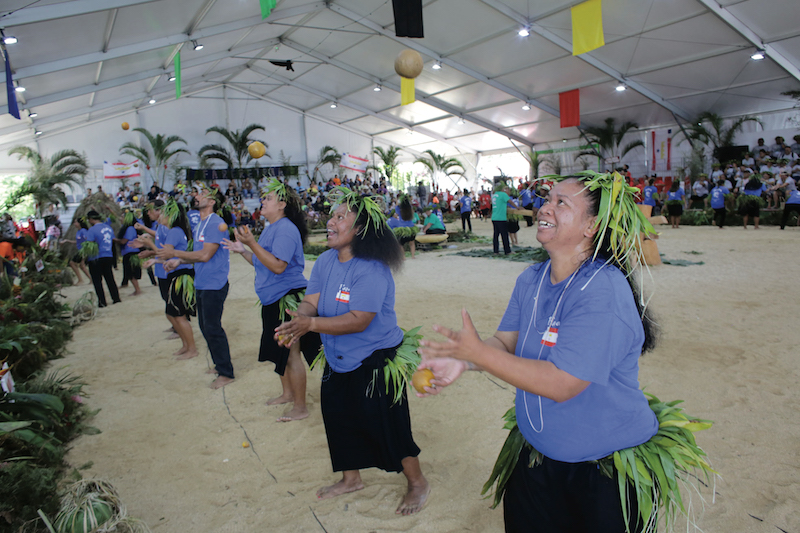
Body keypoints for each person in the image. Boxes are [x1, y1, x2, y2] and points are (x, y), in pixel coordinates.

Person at [417, 174, 659, 532]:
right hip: (536, 457)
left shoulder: (602, 290)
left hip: (602, 472)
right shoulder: (531, 278)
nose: (546, 206)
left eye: (563, 202)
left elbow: (562, 383)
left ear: (592, 226)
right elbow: (505, 343)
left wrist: (480, 356)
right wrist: (465, 360)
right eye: (548, 198)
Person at [274, 188, 430, 515]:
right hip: (337, 357)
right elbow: (312, 299)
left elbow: (359, 320)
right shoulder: (327, 260)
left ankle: (417, 482)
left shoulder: (371, 268)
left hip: (375, 359)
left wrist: (310, 326)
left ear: (358, 230)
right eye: (332, 215)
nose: (330, 222)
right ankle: (351, 479)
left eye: (339, 217)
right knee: (338, 418)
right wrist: (301, 316)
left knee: (390, 425)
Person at [223, 179, 319, 421]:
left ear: (282, 204)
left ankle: (300, 407)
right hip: (272, 299)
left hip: (286, 297)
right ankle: (287, 393)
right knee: (281, 350)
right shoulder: (271, 227)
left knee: (292, 353)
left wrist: (251, 243)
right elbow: (261, 262)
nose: (262, 201)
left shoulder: (285, 228)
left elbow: (278, 266)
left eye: (268, 198)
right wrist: (243, 250)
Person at [160, 187, 233, 389]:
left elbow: (204, 256)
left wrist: (174, 253)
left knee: (212, 328)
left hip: (214, 284)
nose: (196, 196)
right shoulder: (202, 224)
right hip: (202, 282)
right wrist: (178, 262)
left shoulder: (216, 223)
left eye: (201, 195)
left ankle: (226, 372)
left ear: (211, 202)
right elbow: (197, 255)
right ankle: (220, 365)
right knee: (204, 326)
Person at [85, 210, 121, 308]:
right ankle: (116, 298)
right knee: (110, 278)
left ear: (91, 219)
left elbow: (89, 244)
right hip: (108, 255)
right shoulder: (108, 228)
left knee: (97, 281)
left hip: (96, 257)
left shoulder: (92, 230)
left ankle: (102, 302)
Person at [115, 213, 143, 295]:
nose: (121, 219)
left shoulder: (130, 228)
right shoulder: (130, 228)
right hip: (130, 252)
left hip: (131, 252)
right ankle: (136, 289)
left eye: (122, 217)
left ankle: (137, 290)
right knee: (130, 273)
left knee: (131, 273)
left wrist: (114, 240)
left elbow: (124, 241)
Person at [61, 219, 91, 284]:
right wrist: (67, 241)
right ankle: (91, 279)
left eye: (76, 222)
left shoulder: (83, 231)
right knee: (82, 266)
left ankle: (80, 280)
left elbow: (87, 240)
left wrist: (86, 250)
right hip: (80, 249)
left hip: (83, 250)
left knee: (72, 263)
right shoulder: (79, 231)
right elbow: (78, 242)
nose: (74, 224)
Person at [491, 183, 518, 255]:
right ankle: (507, 251)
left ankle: (495, 251)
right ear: (504, 189)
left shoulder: (495, 195)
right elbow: (510, 202)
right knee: (504, 235)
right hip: (501, 218)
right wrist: (517, 207)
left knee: (496, 235)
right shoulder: (503, 194)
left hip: (494, 217)